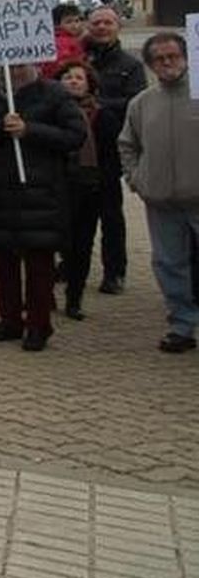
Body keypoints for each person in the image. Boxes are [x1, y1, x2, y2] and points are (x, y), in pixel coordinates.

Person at [0, 62, 85, 351]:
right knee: (2, 261)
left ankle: (38, 324)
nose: (15, 70)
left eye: (21, 65)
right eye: (11, 66)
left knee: (39, 263)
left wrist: (30, 130)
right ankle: (9, 319)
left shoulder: (54, 94)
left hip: (41, 191)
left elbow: (74, 136)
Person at [118, 32, 199, 353]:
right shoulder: (141, 103)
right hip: (161, 201)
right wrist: (137, 179)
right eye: (159, 59)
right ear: (150, 64)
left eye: (173, 56)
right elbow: (127, 145)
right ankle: (182, 324)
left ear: (186, 57)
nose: (167, 63)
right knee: (169, 263)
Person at [82, 6, 146, 294]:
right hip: (77, 147)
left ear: (117, 27)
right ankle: (71, 264)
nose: (102, 28)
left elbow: (136, 103)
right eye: (96, 23)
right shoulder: (77, 58)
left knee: (110, 214)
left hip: (109, 148)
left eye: (108, 23)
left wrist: (100, 105)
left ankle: (114, 272)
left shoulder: (130, 65)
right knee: (75, 212)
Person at [56, 60, 117, 322]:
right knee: (57, 243)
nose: (73, 81)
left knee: (82, 244)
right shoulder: (50, 112)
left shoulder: (103, 116)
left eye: (79, 78)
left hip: (90, 186)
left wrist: (105, 180)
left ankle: (74, 298)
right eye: (67, 77)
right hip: (57, 186)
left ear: (90, 84)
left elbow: (112, 155)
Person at [42, 2, 86, 79]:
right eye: (69, 22)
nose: (75, 26)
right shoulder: (64, 42)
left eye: (77, 21)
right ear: (56, 24)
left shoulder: (72, 39)